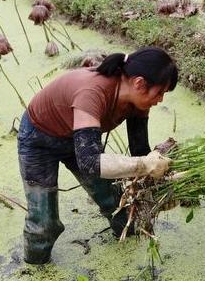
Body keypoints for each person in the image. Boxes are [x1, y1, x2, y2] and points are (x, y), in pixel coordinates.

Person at [17, 46, 178, 265]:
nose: (159, 100)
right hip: (39, 140)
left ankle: (126, 245)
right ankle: (34, 267)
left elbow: (139, 148)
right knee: (44, 225)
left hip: (81, 140)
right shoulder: (92, 93)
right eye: (159, 93)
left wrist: (161, 185)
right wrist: (144, 165)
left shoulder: (138, 101)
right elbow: (90, 162)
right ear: (139, 83)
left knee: (118, 206)